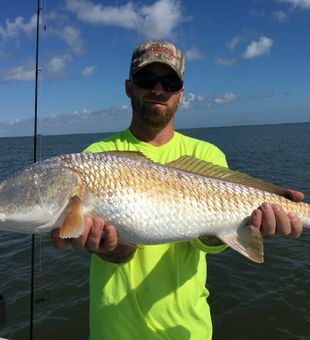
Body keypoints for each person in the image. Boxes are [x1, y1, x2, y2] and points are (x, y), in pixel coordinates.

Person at [52, 40, 304, 340]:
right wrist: (110, 248)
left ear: (181, 93)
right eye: (147, 80)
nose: (158, 90)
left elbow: (209, 243)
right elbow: (116, 249)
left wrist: (259, 221)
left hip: (187, 331)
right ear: (129, 87)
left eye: (169, 82)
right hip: (114, 331)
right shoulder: (98, 156)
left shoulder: (207, 155)